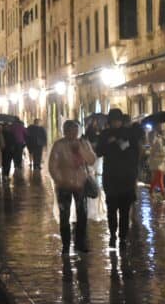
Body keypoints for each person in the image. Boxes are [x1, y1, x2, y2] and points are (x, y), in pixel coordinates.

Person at [48, 119, 96, 254]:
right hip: (63, 185)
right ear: (65, 131)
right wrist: (60, 180)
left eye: (76, 131)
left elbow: (92, 160)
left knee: (82, 214)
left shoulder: (83, 143)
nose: (73, 134)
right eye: (70, 131)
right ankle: (66, 244)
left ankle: (81, 242)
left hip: (80, 184)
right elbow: (53, 166)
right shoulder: (59, 145)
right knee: (64, 215)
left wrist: (82, 150)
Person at [96, 108, 142, 249]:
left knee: (124, 209)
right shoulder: (104, 134)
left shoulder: (129, 134)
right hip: (111, 176)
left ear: (121, 121)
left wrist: (134, 171)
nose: (115, 123)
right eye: (113, 120)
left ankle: (122, 237)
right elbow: (99, 152)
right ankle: (112, 234)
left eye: (118, 120)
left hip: (126, 177)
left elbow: (136, 152)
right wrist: (109, 143)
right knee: (111, 209)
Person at [148, 131, 165, 197]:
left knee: (158, 178)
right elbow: (161, 152)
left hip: (159, 163)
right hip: (158, 163)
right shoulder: (158, 141)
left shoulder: (158, 141)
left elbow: (161, 152)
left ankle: (152, 191)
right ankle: (162, 193)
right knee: (159, 178)